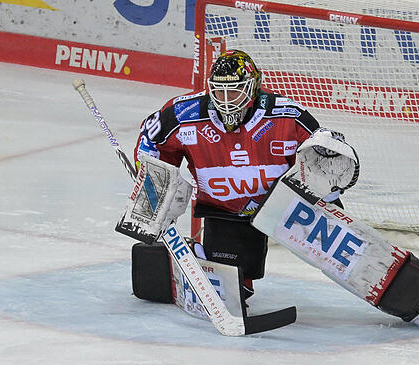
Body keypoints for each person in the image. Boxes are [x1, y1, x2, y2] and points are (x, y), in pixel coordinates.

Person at [134, 49, 341, 300]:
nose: (225, 98)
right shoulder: (183, 114)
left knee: (351, 255)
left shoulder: (287, 115)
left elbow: (321, 157)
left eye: (234, 90)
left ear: (253, 87)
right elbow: (151, 140)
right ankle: (199, 257)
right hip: (228, 212)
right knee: (234, 292)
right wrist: (158, 182)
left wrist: (332, 152)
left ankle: (394, 283)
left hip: (290, 207)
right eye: (218, 90)